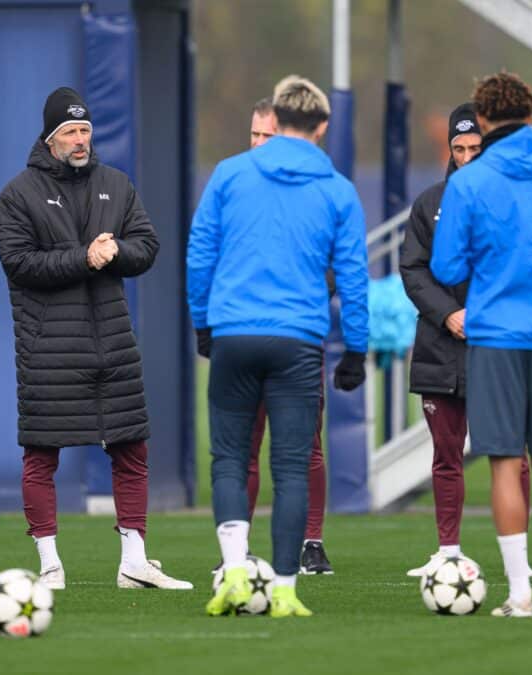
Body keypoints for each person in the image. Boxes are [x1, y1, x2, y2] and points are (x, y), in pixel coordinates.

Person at [0, 86, 191, 591]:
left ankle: (135, 561)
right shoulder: (18, 194)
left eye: (85, 130)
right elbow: (19, 264)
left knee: (132, 449)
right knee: (41, 455)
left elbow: (146, 245)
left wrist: (116, 251)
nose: (80, 140)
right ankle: (50, 565)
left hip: (113, 344)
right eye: (70, 132)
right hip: (48, 349)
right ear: (50, 137)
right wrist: (83, 257)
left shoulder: (117, 184)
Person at [189, 75, 368, 618]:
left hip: (235, 332)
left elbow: (200, 256)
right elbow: (354, 276)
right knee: (291, 466)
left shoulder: (228, 174)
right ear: (321, 126)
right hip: (298, 339)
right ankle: (286, 588)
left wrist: (203, 324)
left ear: (277, 120)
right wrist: (355, 348)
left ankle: (236, 574)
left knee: (228, 459)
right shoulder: (337, 189)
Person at [431, 71, 532, 617]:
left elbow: (446, 265)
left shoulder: (469, 182)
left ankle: (521, 596)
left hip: (496, 335)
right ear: (531, 115)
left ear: (482, 120)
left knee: (505, 463)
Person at [199, 97, 335, 575]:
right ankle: (240, 552)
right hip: (244, 330)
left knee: (302, 449)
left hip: (294, 332)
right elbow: (206, 252)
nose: (258, 144)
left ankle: (310, 543)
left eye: (268, 136)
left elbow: (337, 263)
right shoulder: (235, 180)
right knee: (244, 447)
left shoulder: (315, 184)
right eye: (253, 135)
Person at [400, 103, 532, 577]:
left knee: (512, 453)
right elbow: (412, 270)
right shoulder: (429, 204)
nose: (468, 156)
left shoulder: (514, 200)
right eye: (460, 148)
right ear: (450, 151)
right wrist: (448, 314)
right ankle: (448, 550)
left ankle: (516, 552)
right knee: (446, 456)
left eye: (476, 147)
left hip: (498, 348)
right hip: (441, 347)